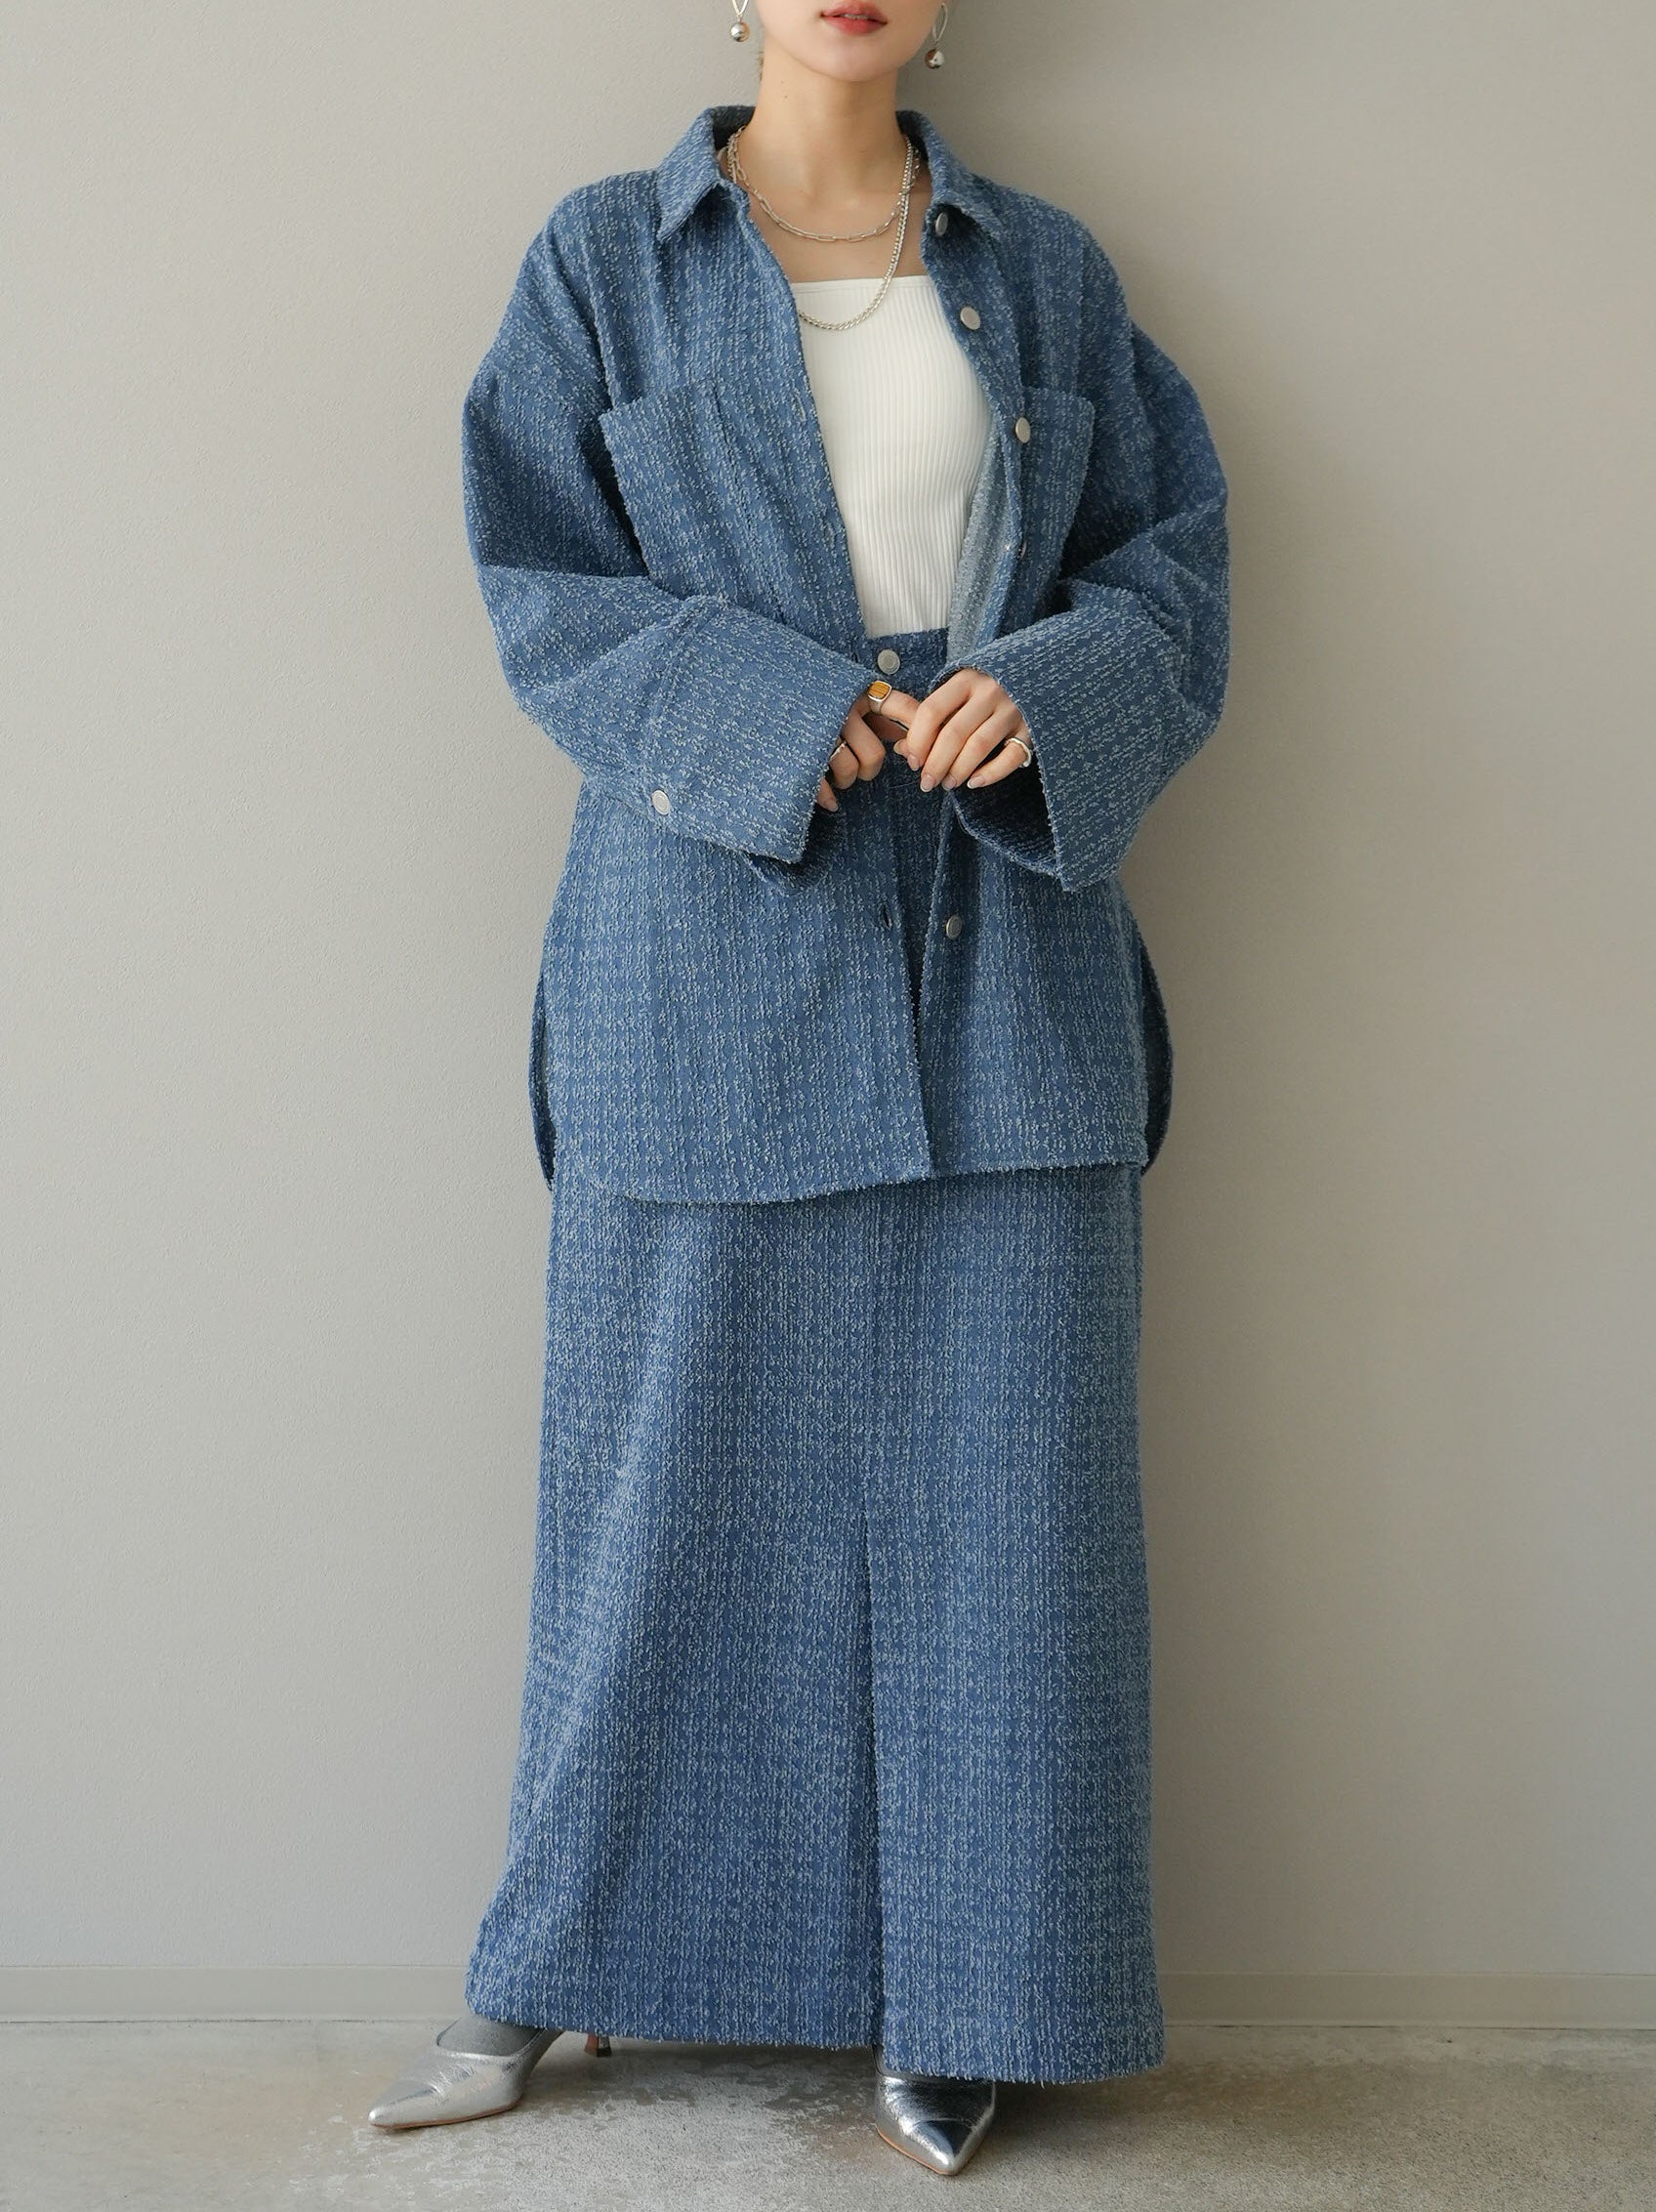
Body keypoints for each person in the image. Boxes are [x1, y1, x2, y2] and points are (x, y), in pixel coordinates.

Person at [371, 0, 1228, 2179]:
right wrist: (769, 709)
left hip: (1007, 954)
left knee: (1011, 1515)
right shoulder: (602, 260)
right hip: (702, 948)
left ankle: (974, 1997)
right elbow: (540, 578)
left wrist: (1043, 689)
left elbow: (1170, 568)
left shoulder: (1044, 271)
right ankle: (553, 1958)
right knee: (657, 1493)